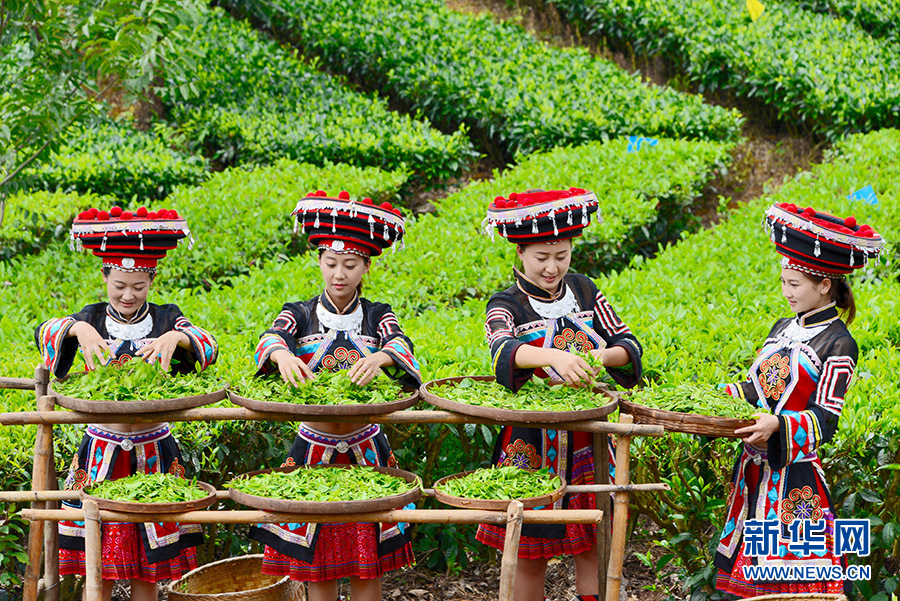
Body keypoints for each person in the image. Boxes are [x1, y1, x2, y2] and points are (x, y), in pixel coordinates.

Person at [35, 206, 218, 601]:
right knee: (96, 555)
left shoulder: (167, 318)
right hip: (101, 451)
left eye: (138, 286)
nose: (128, 295)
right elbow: (45, 331)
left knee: (148, 566)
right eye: (119, 285)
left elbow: (209, 344)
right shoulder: (91, 317)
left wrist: (178, 338)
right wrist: (78, 328)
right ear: (104, 277)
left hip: (155, 448)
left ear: (152, 279)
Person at [250, 190, 420, 601]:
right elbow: (270, 338)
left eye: (350, 265)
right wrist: (281, 354)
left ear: (366, 267)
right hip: (312, 447)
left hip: (367, 447)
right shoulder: (299, 311)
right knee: (318, 564)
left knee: (368, 561)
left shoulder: (378, 314)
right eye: (331, 263)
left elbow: (402, 345)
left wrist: (381, 357)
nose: (339, 274)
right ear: (319, 262)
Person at [477, 189, 643, 601]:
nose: (552, 267)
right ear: (520, 253)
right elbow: (501, 348)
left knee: (592, 543)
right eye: (541, 257)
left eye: (562, 256)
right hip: (529, 441)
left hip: (588, 438)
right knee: (530, 551)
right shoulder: (506, 303)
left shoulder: (585, 291)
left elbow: (628, 345)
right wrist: (552, 356)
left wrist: (598, 356)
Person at [715, 202, 885, 596]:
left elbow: (826, 418)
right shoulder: (781, 328)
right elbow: (755, 390)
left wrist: (778, 424)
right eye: (783, 282)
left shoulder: (839, 342)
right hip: (754, 470)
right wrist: (713, 401)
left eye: (794, 284)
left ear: (824, 285)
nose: (786, 292)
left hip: (795, 478)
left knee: (793, 583)